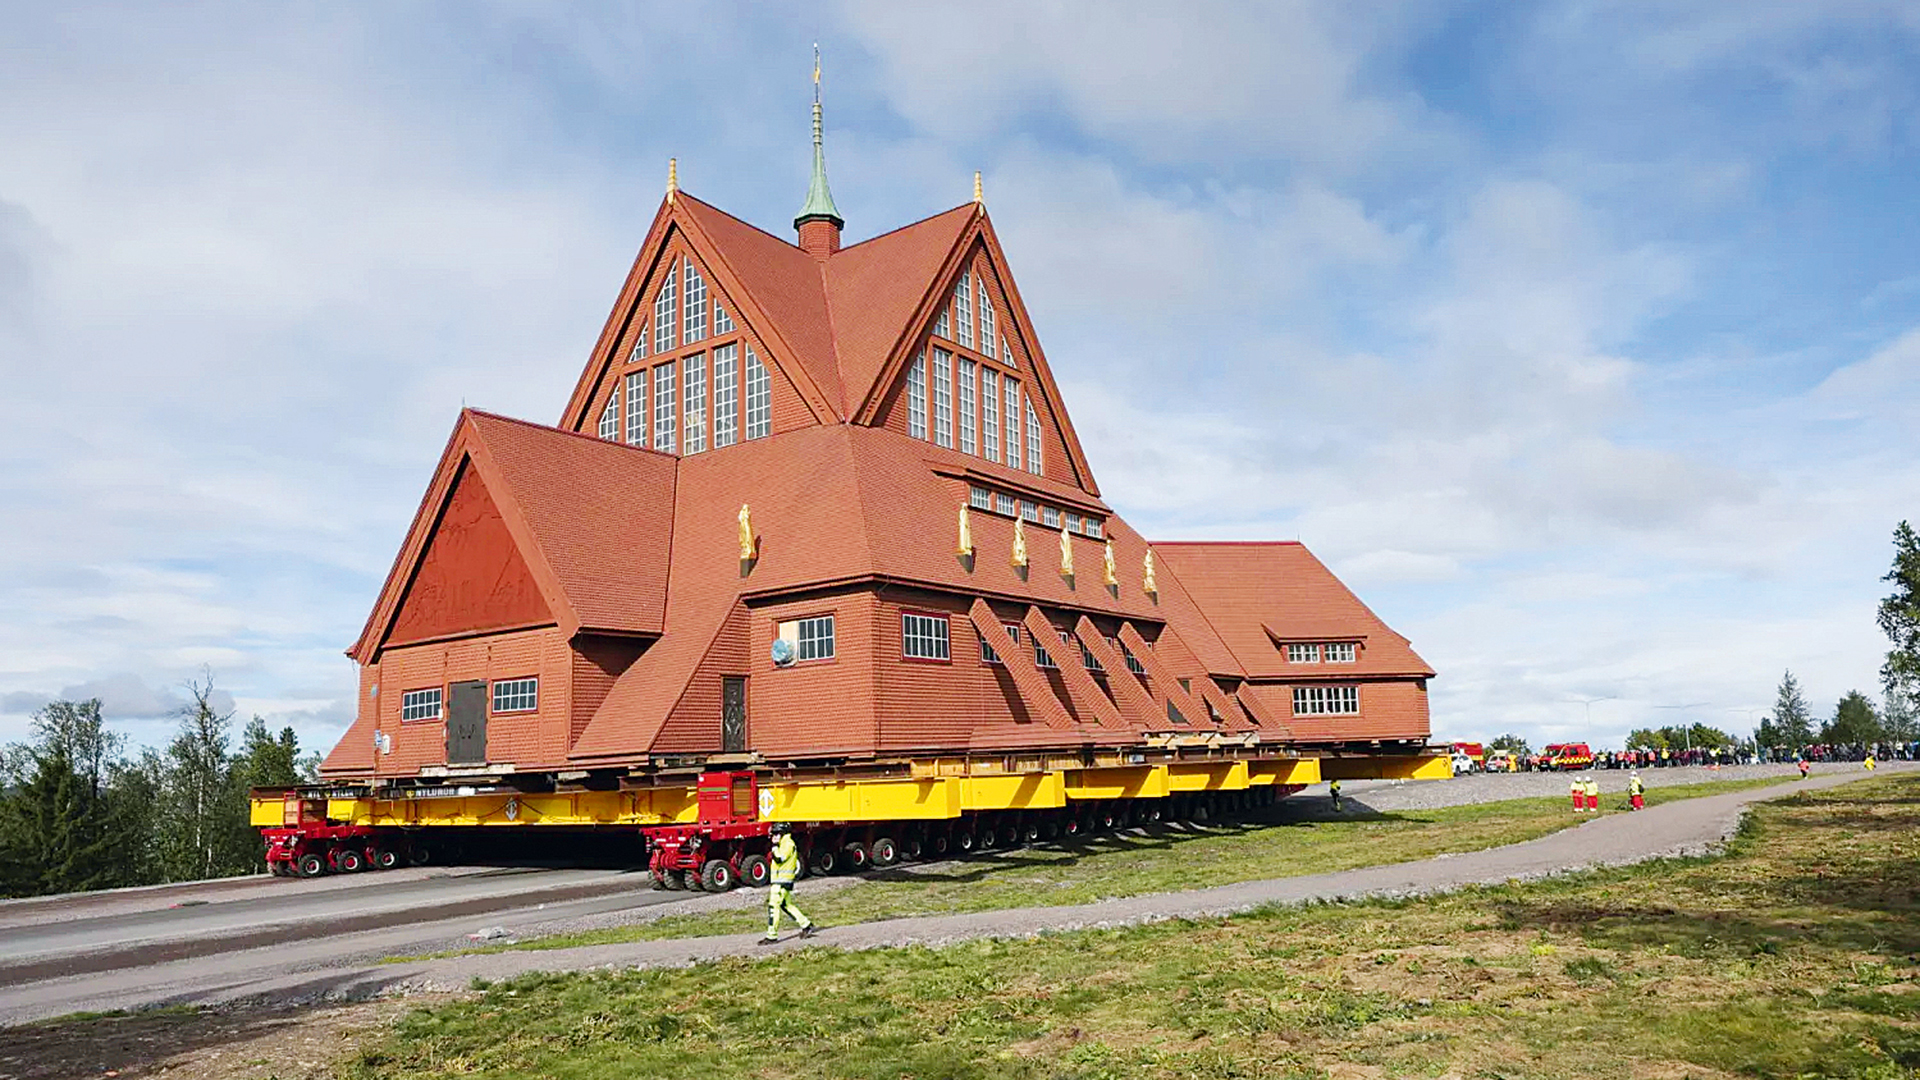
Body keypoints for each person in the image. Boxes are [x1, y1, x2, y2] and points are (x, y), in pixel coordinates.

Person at [759, 822, 817, 945]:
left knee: (773, 907)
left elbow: (780, 858)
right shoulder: (785, 843)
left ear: (782, 833)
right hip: (781, 881)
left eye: (776, 834)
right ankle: (806, 925)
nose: (773, 837)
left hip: (781, 882)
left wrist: (774, 846)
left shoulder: (787, 844)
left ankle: (771, 936)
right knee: (786, 905)